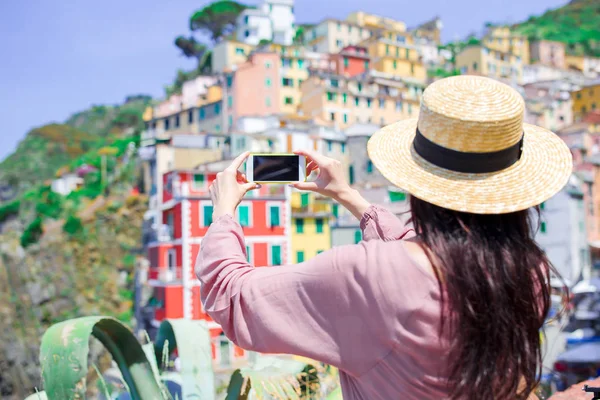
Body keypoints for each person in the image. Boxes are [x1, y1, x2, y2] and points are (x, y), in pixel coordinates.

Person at [195, 75, 572, 399]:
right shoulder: (528, 272)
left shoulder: (364, 275)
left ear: (417, 179)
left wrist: (224, 212)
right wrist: (351, 199)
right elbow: (436, 261)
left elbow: (232, 297)